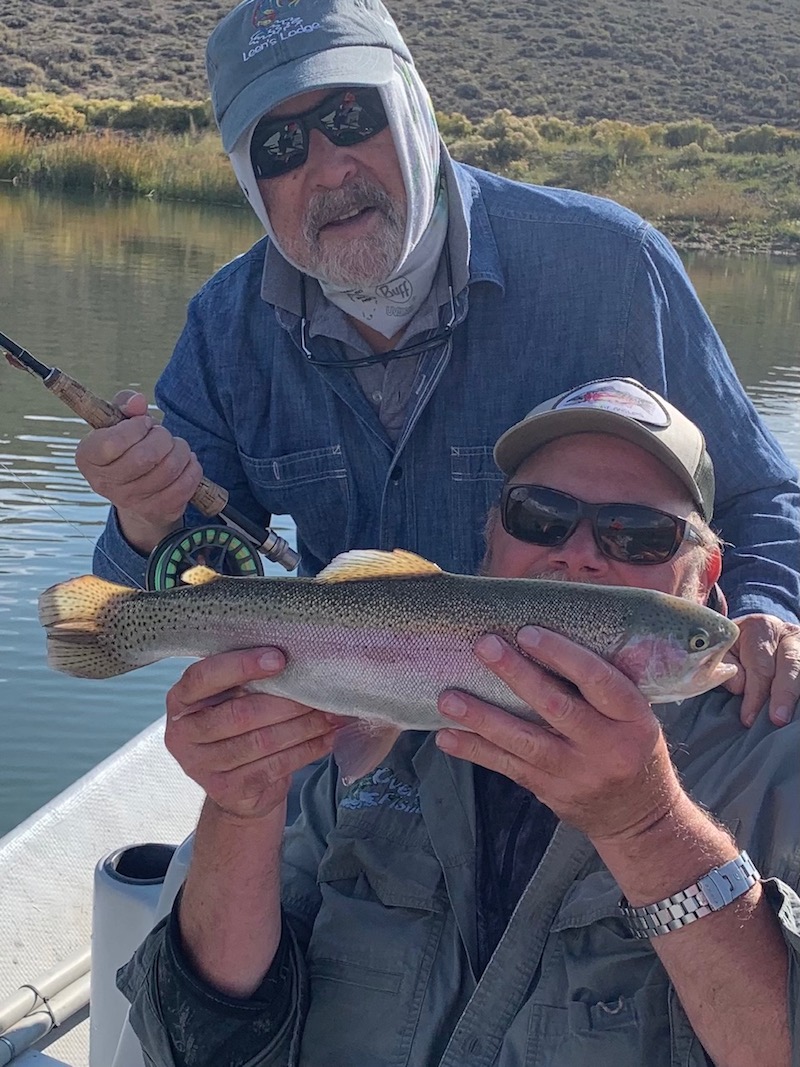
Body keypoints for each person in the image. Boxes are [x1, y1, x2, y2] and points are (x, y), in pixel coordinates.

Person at [75, 0, 800, 725]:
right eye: (279, 148)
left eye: (354, 117)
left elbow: (760, 497)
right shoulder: (223, 326)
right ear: (247, 183)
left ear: (417, 110)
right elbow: (134, 615)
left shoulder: (615, 267)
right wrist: (144, 518)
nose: (328, 169)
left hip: (601, 748)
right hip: (351, 741)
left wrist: (766, 615)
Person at [118, 379, 800, 1066]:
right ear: (492, 539)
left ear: (705, 573)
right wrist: (240, 810)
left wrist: (649, 830)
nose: (582, 554)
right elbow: (206, 1045)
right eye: (541, 515)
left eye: (640, 534)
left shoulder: (776, 755)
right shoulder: (356, 732)